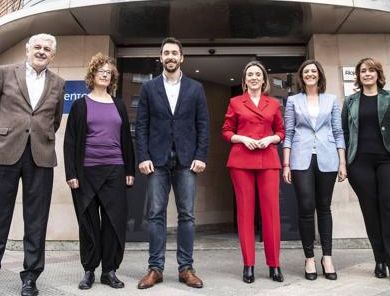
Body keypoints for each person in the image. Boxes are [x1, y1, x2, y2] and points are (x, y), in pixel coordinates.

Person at [0, 34, 65, 296]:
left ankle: (30, 279)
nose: (42, 52)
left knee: (36, 221)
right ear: (27, 50)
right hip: (3, 153)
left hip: (40, 156)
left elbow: (54, 121)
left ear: (53, 55)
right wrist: (2, 134)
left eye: (47, 49)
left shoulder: (59, 83)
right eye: (37, 47)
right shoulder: (4, 73)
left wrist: (35, 136)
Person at [135, 37, 209, 289]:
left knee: (187, 215)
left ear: (182, 57)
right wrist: (143, 156)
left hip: (187, 161)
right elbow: (141, 126)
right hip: (156, 161)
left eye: (174, 53)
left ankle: (186, 268)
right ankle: (155, 268)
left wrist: (201, 155)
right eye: (166, 53)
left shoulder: (195, 88)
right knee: (156, 214)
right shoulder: (148, 88)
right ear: (161, 57)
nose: (170, 57)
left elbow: (203, 125)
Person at [341, 57, 390, 284]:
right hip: (360, 164)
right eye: (363, 71)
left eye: (371, 70)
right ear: (358, 75)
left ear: (378, 74)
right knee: (371, 213)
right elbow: (344, 133)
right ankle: (379, 260)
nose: (367, 74)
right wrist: (344, 163)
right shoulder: (351, 101)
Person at [63, 53, 135, 290]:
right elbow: (70, 141)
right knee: (89, 223)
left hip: (115, 169)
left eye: (109, 72)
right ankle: (89, 270)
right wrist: (71, 173)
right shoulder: (79, 105)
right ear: (92, 75)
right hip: (86, 172)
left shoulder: (120, 105)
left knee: (114, 223)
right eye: (101, 71)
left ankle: (109, 271)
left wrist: (130, 169)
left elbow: (126, 139)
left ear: (112, 78)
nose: (105, 74)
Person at [282, 60, 347, 281]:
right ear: (302, 76)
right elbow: (288, 133)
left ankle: (327, 256)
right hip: (301, 159)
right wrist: (286, 164)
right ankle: (309, 257)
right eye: (306, 71)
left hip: (328, 158)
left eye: (314, 71)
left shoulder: (331, 100)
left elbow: (338, 132)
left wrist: (342, 162)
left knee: (324, 207)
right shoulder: (292, 101)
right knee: (306, 207)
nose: (310, 74)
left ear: (319, 75)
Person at [222, 60, 285, 284]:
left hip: (268, 160)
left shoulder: (274, 103)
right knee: (245, 214)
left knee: (271, 215)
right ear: (245, 80)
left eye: (258, 74)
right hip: (241, 161)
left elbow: (281, 131)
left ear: (264, 79)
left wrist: (270, 138)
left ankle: (274, 264)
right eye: (250, 74)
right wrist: (242, 138)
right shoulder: (235, 102)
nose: (254, 77)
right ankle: (248, 264)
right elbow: (227, 131)